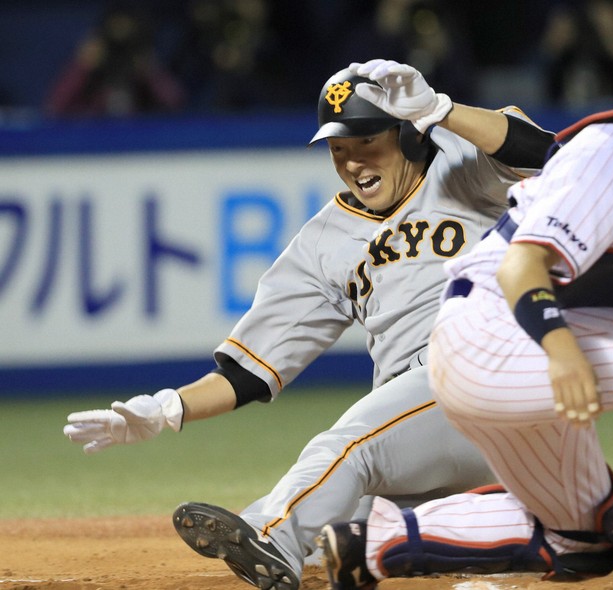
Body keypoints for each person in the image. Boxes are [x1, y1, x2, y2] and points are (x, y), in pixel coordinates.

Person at [317, 2, 613, 590]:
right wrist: (560, 348)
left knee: (589, 538)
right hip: (496, 334)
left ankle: (371, 543)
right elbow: (524, 265)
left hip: (510, 342)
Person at [62, 58, 557, 590]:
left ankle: (270, 534)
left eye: (367, 141)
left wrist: (441, 111)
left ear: (409, 137)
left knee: (342, 448)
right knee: (352, 527)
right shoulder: (322, 242)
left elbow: (547, 154)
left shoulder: (465, 164)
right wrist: (164, 409)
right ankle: (519, 532)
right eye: (338, 148)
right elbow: (250, 370)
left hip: (494, 373)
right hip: (429, 425)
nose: (352, 161)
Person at [45, 2, 185, 117]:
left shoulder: (142, 62)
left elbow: (176, 104)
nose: (120, 31)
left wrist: (151, 73)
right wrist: (82, 67)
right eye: (115, 26)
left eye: (126, 26)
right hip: (94, 137)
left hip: (139, 137)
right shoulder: (92, 64)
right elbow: (55, 107)